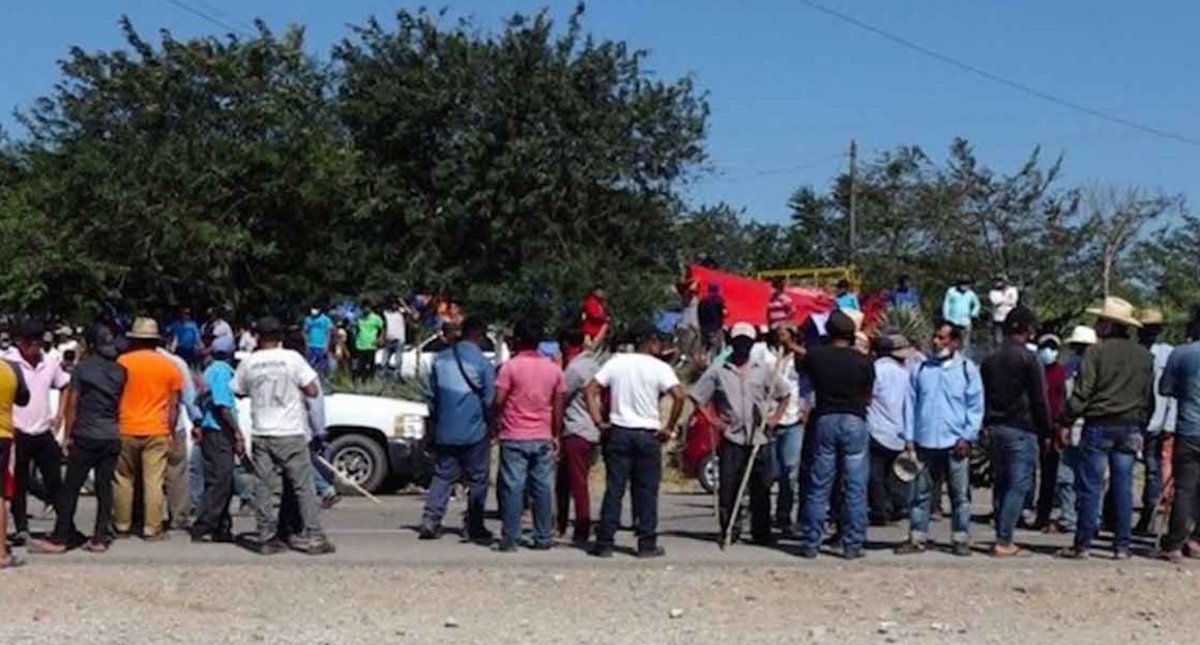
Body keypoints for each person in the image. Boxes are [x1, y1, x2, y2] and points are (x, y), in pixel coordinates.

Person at [1057, 297, 1154, 560]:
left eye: (1100, 321)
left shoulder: (1095, 353)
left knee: (1091, 486)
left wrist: (1065, 419)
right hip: (1130, 425)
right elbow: (1148, 398)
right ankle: (1122, 545)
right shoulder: (1144, 356)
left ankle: (1084, 543)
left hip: (1100, 424)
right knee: (1123, 486)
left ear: (1109, 325)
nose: (1096, 325)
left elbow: (1082, 393)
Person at [235, 316, 334, 555]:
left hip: (262, 431)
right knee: (303, 487)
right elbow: (312, 390)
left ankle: (267, 537)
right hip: (289, 431)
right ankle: (314, 535)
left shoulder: (250, 362)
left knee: (264, 487)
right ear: (279, 337)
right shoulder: (292, 359)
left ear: (258, 337)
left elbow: (239, 390)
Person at [586, 323, 686, 558]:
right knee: (646, 491)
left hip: (619, 431)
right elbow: (680, 395)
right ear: (652, 343)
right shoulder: (659, 367)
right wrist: (669, 427)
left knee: (615, 489)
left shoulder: (617, 362)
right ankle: (646, 542)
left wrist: (599, 421)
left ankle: (605, 542)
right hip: (647, 433)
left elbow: (590, 390)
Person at [691, 322, 790, 546]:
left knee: (761, 486)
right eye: (738, 343)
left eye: (746, 343)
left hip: (758, 437)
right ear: (731, 343)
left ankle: (761, 531)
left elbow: (784, 394)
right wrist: (714, 422)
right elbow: (698, 398)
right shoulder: (718, 370)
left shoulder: (764, 369)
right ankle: (729, 529)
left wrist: (774, 419)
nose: (742, 347)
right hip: (732, 436)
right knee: (729, 485)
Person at [896, 321, 984, 557]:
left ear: (955, 342)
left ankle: (960, 538)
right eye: (936, 337)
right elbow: (910, 405)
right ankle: (917, 537)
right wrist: (909, 437)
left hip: (955, 443)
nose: (937, 342)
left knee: (960, 494)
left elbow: (975, 407)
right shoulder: (921, 369)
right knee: (920, 493)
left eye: (943, 338)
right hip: (925, 442)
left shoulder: (967, 370)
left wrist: (967, 437)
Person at [34, 331, 125, 556]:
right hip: (110, 434)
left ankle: (61, 537)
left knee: (71, 488)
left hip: (86, 433)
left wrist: (67, 434)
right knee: (104, 488)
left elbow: (73, 403)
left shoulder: (83, 369)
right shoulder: (121, 371)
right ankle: (100, 538)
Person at [796, 310, 875, 559]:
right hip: (854, 418)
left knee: (819, 484)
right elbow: (869, 394)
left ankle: (811, 541)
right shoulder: (863, 361)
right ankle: (852, 543)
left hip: (825, 417)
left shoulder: (816, 356)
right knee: (855, 486)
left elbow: (802, 369)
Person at [980, 306, 1052, 557]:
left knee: (1000, 481)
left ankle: (1000, 530)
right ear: (1028, 329)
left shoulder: (990, 358)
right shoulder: (1028, 359)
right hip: (1022, 427)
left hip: (995, 426)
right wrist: (1046, 431)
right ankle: (1005, 538)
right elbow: (1039, 399)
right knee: (1019, 484)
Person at [419, 317, 495, 543]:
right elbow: (490, 400)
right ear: (479, 335)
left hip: (445, 429)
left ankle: (430, 520)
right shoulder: (482, 364)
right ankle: (474, 524)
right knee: (478, 479)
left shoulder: (441, 359)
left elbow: (432, 397)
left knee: (443, 475)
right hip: (474, 430)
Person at [493, 320, 565, 552]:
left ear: (518, 340)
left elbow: (499, 400)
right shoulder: (554, 369)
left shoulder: (510, 367)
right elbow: (558, 405)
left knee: (513, 487)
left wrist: (495, 423)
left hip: (514, 434)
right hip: (542, 434)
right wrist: (556, 434)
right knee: (542, 487)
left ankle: (510, 537)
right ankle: (543, 536)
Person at [114, 318, 184, 540]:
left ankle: (122, 524)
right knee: (154, 480)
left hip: (125, 426)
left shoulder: (121, 363)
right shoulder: (169, 367)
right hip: (157, 428)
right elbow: (174, 406)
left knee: (123, 477)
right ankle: (152, 528)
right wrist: (170, 432)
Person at [7, 319, 71, 543]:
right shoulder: (8, 363)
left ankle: (65, 527)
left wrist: (60, 414)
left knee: (55, 480)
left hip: (43, 430)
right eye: (30, 341)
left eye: (38, 341)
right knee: (18, 483)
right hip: (17, 429)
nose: (35, 346)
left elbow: (65, 386)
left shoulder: (50, 363)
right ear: (19, 342)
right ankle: (21, 526)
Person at [190, 335, 243, 543]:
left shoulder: (209, 371)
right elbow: (222, 405)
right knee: (221, 480)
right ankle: (205, 525)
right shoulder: (221, 372)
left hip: (211, 431)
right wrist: (236, 431)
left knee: (222, 480)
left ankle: (222, 525)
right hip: (219, 431)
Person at [1157, 310, 1200, 561]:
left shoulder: (1181, 354)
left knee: (1184, 488)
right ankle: (1196, 541)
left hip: (1189, 429)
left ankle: (1173, 544)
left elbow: (1165, 388)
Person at [556, 327, 601, 544]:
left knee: (576, 482)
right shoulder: (595, 364)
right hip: (592, 429)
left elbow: (561, 398)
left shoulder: (574, 369)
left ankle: (581, 526)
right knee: (566, 480)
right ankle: (562, 523)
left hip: (576, 429)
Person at [1135, 308, 1176, 535]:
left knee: (1153, 471)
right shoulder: (1133, 352)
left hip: (1157, 422)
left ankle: (1148, 516)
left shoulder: (1168, 354)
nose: (1148, 332)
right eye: (1145, 328)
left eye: (1153, 328)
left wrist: (1169, 425)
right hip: (1131, 420)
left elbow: (1171, 394)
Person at [768, 325, 811, 534]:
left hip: (793, 417)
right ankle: (768, 513)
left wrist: (792, 346)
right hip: (772, 417)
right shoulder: (772, 357)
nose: (781, 337)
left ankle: (784, 515)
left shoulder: (800, 359)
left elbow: (810, 360)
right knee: (771, 471)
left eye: (784, 333)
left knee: (790, 470)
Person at [865, 335, 912, 526]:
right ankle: (898, 506)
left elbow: (868, 396)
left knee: (876, 473)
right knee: (898, 472)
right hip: (901, 430)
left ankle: (879, 509)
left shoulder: (876, 370)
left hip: (877, 428)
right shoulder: (908, 372)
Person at [158, 340, 202, 531]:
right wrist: (197, 422)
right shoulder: (176, 363)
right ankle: (178, 517)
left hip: (137, 426)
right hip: (173, 427)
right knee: (176, 471)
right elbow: (189, 398)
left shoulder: (127, 360)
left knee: (145, 475)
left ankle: (145, 517)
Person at [1033, 334, 1069, 530]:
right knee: (1035, 473)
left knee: (1052, 474)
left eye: (1052, 347)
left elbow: (1063, 400)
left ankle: (1046, 514)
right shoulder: (1035, 371)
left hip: (1054, 427)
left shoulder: (1061, 372)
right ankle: (1035, 512)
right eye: (1045, 346)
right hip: (1036, 426)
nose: (1048, 351)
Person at [0, 352, 28, 566]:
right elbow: (23, 398)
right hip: (3, 435)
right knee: (0, 495)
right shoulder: (11, 368)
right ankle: (1, 552)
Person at [941, 277, 982, 349]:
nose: (964, 286)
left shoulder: (971, 293)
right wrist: (946, 316)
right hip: (952, 320)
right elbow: (946, 303)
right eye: (962, 284)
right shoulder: (951, 291)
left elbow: (977, 304)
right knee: (951, 339)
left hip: (965, 321)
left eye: (966, 284)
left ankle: (963, 355)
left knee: (965, 341)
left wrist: (973, 313)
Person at [352, 301, 385, 383]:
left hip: (371, 344)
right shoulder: (359, 318)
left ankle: (371, 380)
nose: (365, 310)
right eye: (363, 308)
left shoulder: (376, 318)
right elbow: (356, 329)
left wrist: (380, 338)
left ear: (370, 308)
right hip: (360, 344)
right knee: (360, 365)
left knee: (370, 364)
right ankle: (362, 380)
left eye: (367, 308)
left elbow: (383, 328)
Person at [381, 298, 410, 380]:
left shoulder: (401, 312)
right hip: (388, 339)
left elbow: (411, 313)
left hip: (399, 339)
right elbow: (384, 326)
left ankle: (396, 377)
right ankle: (384, 377)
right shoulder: (385, 313)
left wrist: (402, 302)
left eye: (396, 304)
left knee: (398, 361)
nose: (394, 305)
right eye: (392, 303)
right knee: (384, 360)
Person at [987, 275, 1020, 346]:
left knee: (1010, 338)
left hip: (1010, 318)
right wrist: (1007, 299)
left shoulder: (1013, 290)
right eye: (997, 281)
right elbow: (995, 301)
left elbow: (1013, 301)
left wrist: (1003, 301)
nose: (999, 283)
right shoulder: (993, 292)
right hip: (998, 318)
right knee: (998, 339)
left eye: (1000, 280)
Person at [303, 306, 334, 375]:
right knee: (310, 366)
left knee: (322, 367)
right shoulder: (308, 319)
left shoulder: (326, 319)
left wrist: (326, 345)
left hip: (321, 346)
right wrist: (306, 344)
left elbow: (328, 333)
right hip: (311, 346)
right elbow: (305, 332)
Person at [697, 283, 727, 354]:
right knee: (716, 346)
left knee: (704, 346)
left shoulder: (702, 300)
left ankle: (703, 361)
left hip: (703, 327)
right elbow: (724, 312)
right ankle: (713, 362)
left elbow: (699, 314)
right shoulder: (719, 300)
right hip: (715, 327)